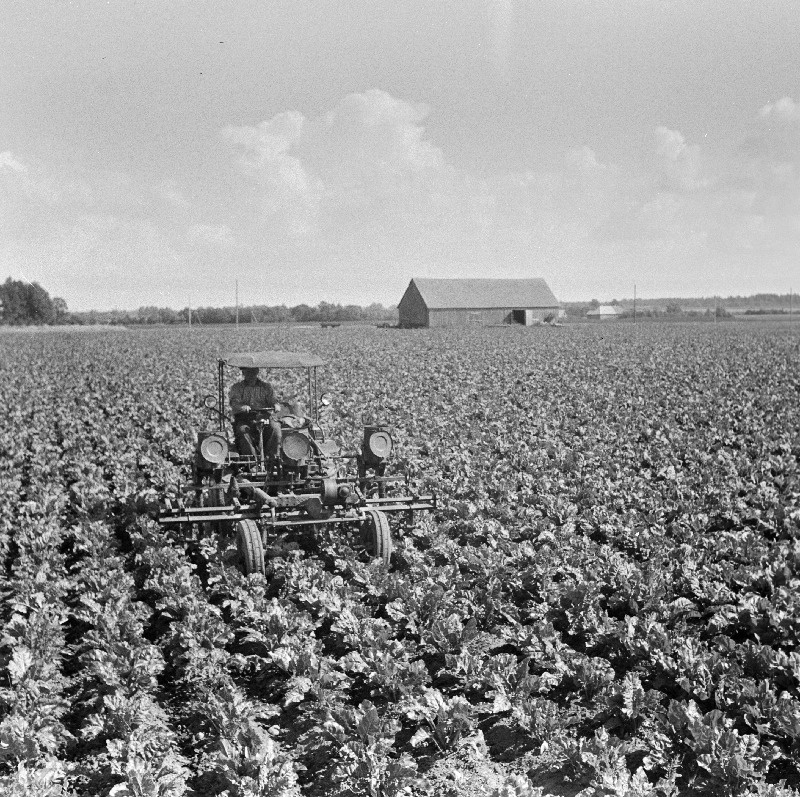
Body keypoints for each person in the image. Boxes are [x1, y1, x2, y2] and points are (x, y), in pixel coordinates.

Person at [229, 367, 282, 459]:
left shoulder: (266, 387)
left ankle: (272, 458)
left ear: (257, 372)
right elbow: (234, 403)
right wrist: (242, 407)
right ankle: (251, 461)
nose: (251, 374)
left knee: (275, 428)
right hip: (245, 419)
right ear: (243, 372)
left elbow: (273, 400)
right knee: (243, 431)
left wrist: (275, 405)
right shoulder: (237, 388)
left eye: (253, 371)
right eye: (248, 372)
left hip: (264, 418)